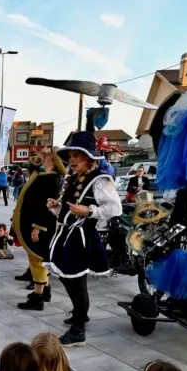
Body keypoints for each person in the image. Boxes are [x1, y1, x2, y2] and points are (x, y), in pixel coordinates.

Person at [47, 133, 122, 346]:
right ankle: (81, 312)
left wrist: (89, 211)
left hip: (81, 237)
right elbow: (69, 208)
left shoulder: (100, 180)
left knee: (76, 281)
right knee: (65, 277)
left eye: (77, 156)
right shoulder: (72, 177)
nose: (72, 160)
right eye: (70, 156)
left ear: (89, 158)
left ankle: (78, 329)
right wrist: (56, 206)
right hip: (65, 235)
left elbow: (114, 208)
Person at [13, 151, 64, 311]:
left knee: (37, 260)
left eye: (48, 157)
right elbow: (32, 165)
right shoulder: (44, 174)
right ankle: (45, 290)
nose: (45, 158)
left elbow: (45, 206)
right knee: (40, 259)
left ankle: (37, 298)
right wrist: (39, 157)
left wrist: (37, 228)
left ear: (54, 161)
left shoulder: (50, 179)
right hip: (33, 222)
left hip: (39, 224)